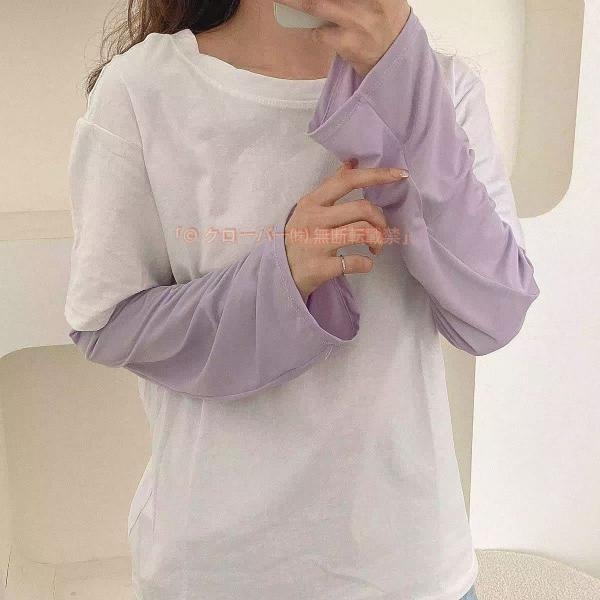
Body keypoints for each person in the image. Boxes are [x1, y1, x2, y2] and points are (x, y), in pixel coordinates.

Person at [64, 1, 540, 598]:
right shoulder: (144, 88)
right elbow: (107, 324)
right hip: (216, 573)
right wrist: (280, 278)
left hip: (409, 570)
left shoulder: (442, 88)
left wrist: (407, 89)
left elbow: (493, 315)